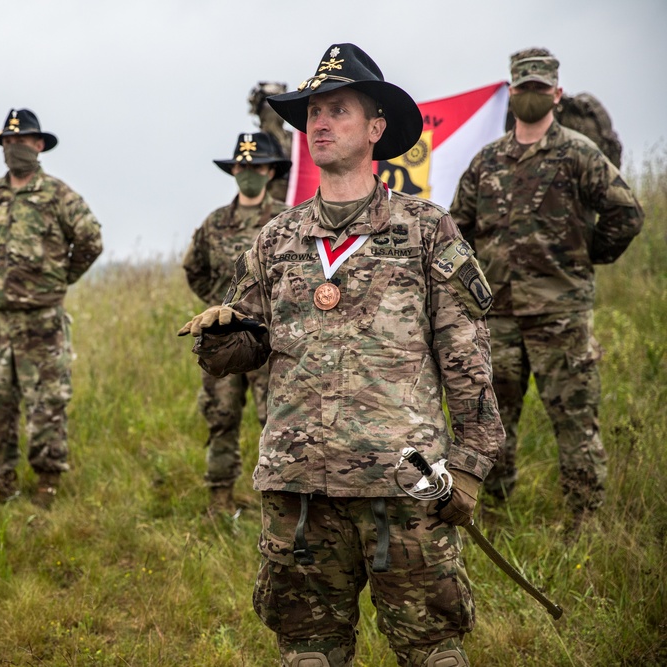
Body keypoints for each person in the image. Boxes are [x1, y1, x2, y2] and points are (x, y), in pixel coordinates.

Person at [179, 43, 503, 667]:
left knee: (432, 652)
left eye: (338, 110)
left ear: (377, 128)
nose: (319, 123)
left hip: (405, 488)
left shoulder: (426, 229)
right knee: (307, 653)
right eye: (313, 113)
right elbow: (247, 346)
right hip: (299, 490)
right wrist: (221, 340)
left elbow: (468, 363)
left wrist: (468, 466)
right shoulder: (276, 237)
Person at [450, 48, 644, 520]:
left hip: (562, 318)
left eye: (540, 88)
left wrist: (584, 259)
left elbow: (627, 213)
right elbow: (457, 230)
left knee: (576, 424)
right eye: (523, 88)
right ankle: (495, 516)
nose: (531, 96)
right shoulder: (487, 160)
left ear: (556, 93)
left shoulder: (580, 153)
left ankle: (585, 523)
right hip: (498, 317)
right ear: (511, 92)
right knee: (491, 424)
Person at [0, 108, 103, 509]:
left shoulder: (59, 195)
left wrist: (58, 280)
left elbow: (90, 240)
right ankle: (0, 482)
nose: (15, 148)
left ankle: (46, 485)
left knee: (46, 404)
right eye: (8, 142)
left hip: (42, 321)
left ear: (39, 145)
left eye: (22, 141)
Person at [182, 132, 291, 516]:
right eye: (243, 166)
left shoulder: (287, 220)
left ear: (270, 170)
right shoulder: (215, 223)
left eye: (257, 166)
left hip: (269, 338)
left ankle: (276, 499)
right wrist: (217, 303)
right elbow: (193, 268)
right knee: (221, 416)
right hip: (224, 340)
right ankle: (220, 498)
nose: (249, 173)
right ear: (234, 171)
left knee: (275, 418)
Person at [249, 82, 294, 202]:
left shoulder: (297, 140)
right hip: (266, 208)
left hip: (300, 203)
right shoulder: (254, 144)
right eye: (268, 104)